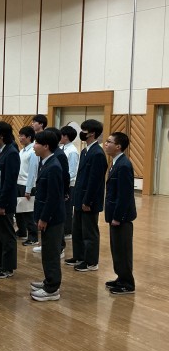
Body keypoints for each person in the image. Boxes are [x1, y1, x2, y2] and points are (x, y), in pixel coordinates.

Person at [65, 119, 108, 272]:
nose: (81, 133)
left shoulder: (98, 153)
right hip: (79, 197)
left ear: (92, 133)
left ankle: (91, 261)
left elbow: (95, 181)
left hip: (89, 200)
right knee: (77, 229)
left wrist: (87, 201)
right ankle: (79, 256)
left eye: (84, 130)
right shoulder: (85, 151)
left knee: (89, 232)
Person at [30, 130, 65, 302]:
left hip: (52, 219)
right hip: (47, 216)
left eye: (36, 143)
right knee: (47, 251)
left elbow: (53, 197)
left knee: (51, 253)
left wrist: (44, 218)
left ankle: (52, 289)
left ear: (46, 146)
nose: (34, 146)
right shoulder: (46, 163)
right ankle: (48, 281)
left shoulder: (53, 167)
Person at [103, 132, 137, 295]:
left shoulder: (123, 165)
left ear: (118, 146)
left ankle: (127, 283)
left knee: (123, 250)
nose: (106, 144)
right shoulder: (116, 162)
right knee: (116, 249)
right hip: (114, 215)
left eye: (109, 142)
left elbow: (124, 195)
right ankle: (121, 277)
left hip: (121, 218)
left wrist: (118, 217)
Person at [0, 121, 20, 279]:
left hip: (6, 202)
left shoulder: (12, 152)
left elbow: (9, 182)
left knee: (7, 235)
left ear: (1, 136)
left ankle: (8, 267)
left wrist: (2, 204)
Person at [16, 126, 39, 245]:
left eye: (22, 136)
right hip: (19, 183)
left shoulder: (33, 151)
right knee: (19, 211)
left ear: (29, 137)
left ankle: (33, 237)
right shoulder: (22, 151)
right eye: (19, 135)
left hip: (27, 185)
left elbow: (32, 172)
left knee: (29, 213)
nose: (20, 138)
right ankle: (22, 231)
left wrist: (28, 189)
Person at [60, 125, 79, 239]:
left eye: (61, 135)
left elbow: (72, 171)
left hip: (69, 184)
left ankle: (67, 231)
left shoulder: (72, 151)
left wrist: (65, 183)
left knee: (67, 208)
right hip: (62, 182)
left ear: (66, 137)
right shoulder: (62, 148)